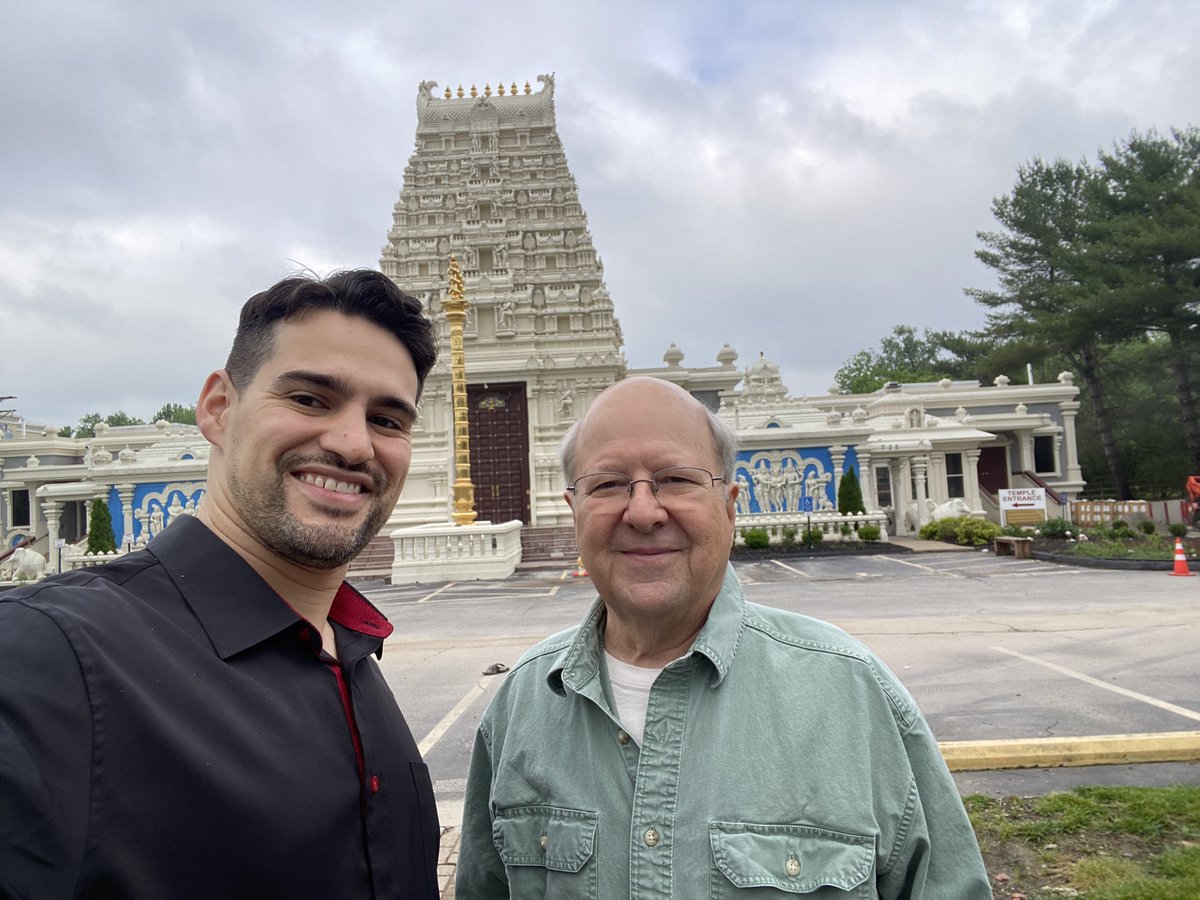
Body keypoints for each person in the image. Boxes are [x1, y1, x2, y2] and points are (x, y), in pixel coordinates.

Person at [456, 376, 991, 899]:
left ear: (731, 505)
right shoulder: (523, 705)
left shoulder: (852, 693)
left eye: (676, 479)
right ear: (575, 513)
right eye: (608, 484)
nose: (643, 511)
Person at [0, 269, 441, 899]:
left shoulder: (352, 661)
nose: (352, 444)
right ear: (217, 409)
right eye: (310, 399)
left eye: (388, 420)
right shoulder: (47, 657)